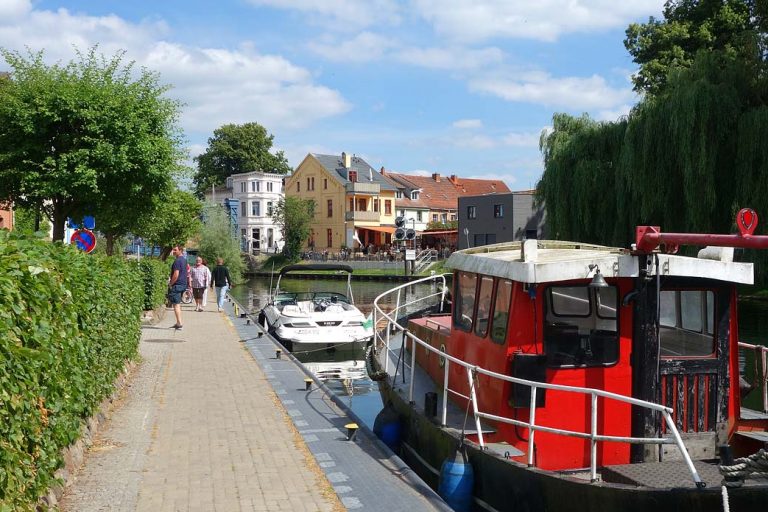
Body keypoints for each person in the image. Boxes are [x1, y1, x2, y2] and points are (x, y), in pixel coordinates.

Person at [168, 245, 188, 329]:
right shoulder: (184, 260)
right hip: (183, 284)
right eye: (173, 250)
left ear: (180, 250)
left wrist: (170, 283)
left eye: (175, 250)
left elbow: (176, 274)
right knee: (178, 304)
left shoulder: (177, 261)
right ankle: (178, 322)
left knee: (176, 305)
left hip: (177, 285)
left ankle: (179, 323)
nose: (174, 251)